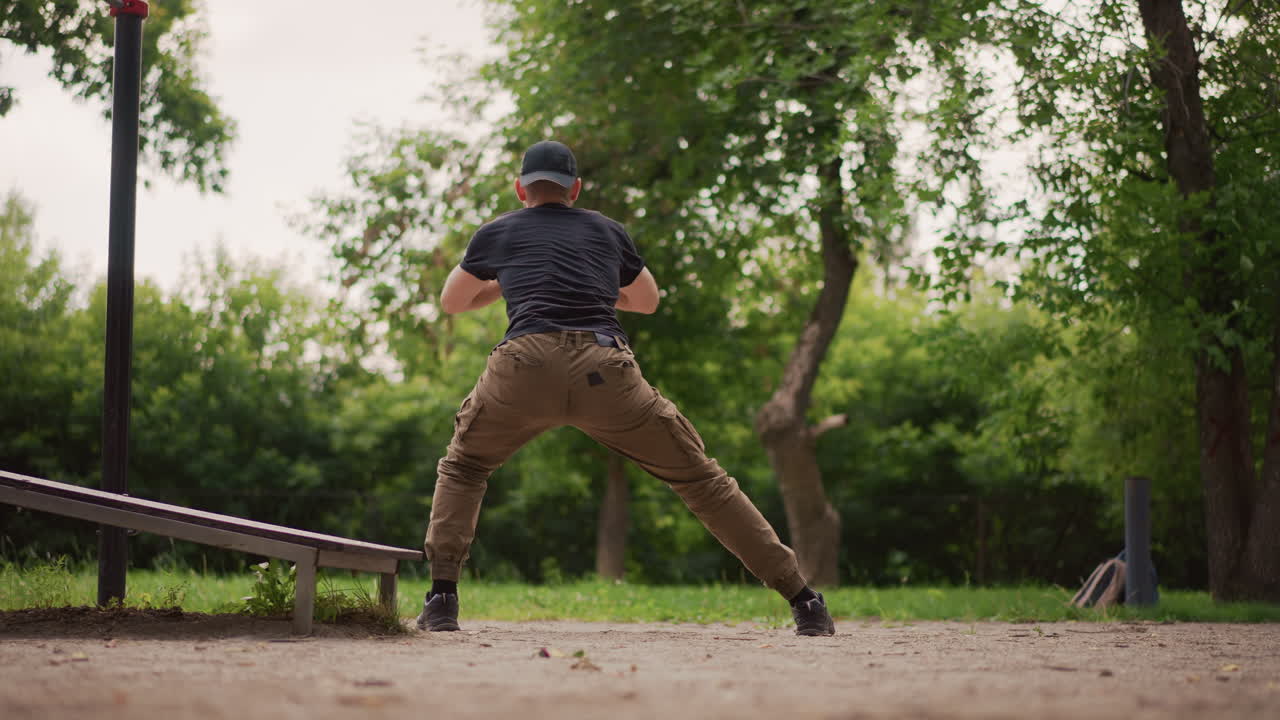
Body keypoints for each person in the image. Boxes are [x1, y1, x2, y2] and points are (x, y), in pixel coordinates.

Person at [416, 140, 835, 636]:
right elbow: (647, 300)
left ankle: (442, 599)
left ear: (520, 189)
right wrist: (593, 284)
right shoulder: (606, 230)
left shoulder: (498, 232)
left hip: (524, 366)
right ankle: (804, 600)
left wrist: (507, 281)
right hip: (605, 369)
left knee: (464, 467)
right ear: (575, 188)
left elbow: (453, 301)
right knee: (703, 481)